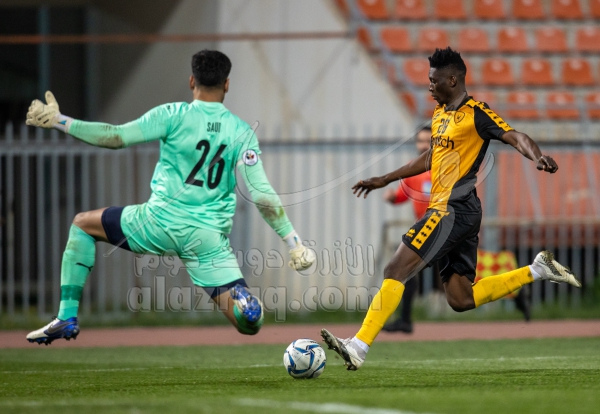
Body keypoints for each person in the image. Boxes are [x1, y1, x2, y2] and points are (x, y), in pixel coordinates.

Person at [25, 49, 316, 345]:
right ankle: (246, 305)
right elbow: (262, 195)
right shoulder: (241, 132)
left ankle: (66, 316)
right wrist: (294, 243)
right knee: (248, 327)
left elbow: (115, 136)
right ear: (227, 84)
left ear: (192, 81)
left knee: (82, 225)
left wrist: (59, 121)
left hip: (157, 224)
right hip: (206, 239)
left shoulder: (171, 115)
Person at [321, 47, 581, 370]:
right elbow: (432, 157)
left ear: (453, 80)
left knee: (395, 270)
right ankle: (538, 270)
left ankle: (358, 346)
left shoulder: (476, 113)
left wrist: (537, 156)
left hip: (451, 209)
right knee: (460, 298)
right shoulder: (440, 113)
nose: (429, 86)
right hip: (458, 211)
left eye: (434, 80)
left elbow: (515, 136)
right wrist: (385, 178)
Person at [381, 127, 432, 334]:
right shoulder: (414, 170)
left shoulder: (445, 166)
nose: (423, 145)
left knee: (466, 280)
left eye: (428, 141)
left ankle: (519, 297)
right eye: (420, 141)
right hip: (427, 232)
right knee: (404, 270)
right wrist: (392, 197)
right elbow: (403, 195)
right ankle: (405, 320)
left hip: (446, 230)